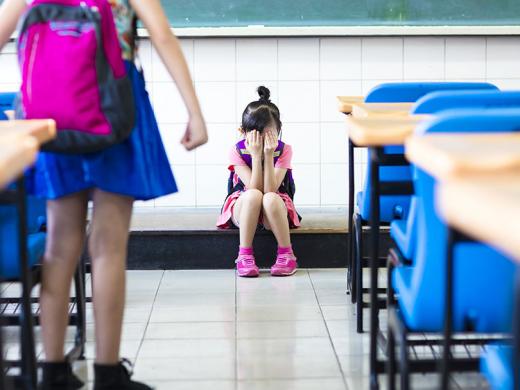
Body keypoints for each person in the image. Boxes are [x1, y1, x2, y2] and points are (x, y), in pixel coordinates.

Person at [0, 0, 208, 388]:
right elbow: (161, 34)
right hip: (116, 111)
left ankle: (54, 371)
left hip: (53, 117)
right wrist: (194, 112)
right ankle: (109, 373)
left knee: (58, 249)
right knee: (108, 246)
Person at [217, 86, 300, 278]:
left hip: (274, 208)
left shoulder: (284, 150)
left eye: (270, 135)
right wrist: (256, 156)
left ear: (279, 131)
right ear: (243, 132)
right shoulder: (236, 150)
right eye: (257, 135)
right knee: (254, 194)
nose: (263, 141)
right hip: (245, 205)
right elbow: (254, 190)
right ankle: (244, 255)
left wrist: (268, 155)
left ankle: (287, 254)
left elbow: (271, 189)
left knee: (270, 197)